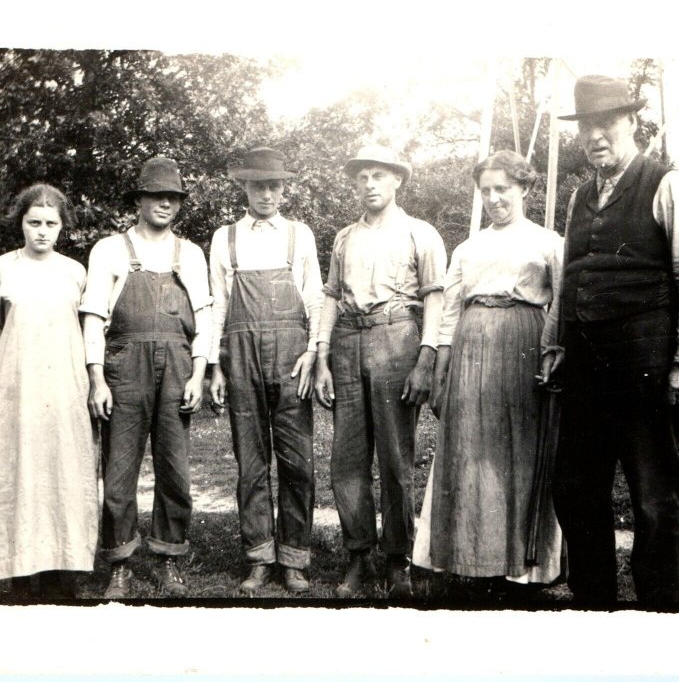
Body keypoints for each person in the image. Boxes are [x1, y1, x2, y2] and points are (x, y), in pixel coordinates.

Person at [541, 75, 679, 605]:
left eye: (606, 124)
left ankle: (659, 609)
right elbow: (569, 280)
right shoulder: (580, 197)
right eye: (587, 127)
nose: (595, 136)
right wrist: (555, 346)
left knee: (654, 502)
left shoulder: (668, 186)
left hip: (645, 373)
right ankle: (595, 603)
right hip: (585, 375)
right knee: (574, 492)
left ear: (632, 123)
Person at [419, 150, 563, 591]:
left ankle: (526, 565)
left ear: (524, 188)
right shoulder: (468, 246)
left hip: (525, 345)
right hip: (472, 349)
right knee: (472, 450)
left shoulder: (549, 241)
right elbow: (447, 315)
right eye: (486, 190)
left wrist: (550, 351)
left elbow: (561, 303)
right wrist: (441, 373)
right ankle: (470, 557)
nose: (495, 198)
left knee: (519, 450)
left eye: (503, 188)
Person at [314, 145, 447, 599]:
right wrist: (321, 357)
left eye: (378, 175)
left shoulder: (420, 233)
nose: (369, 184)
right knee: (347, 458)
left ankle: (397, 559)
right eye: (362, 177)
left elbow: (434, 297)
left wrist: (426, 357)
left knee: (394, 457)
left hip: (397, 336)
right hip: (348, 340)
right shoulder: (344, 236)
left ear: (397, 180)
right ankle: (358, 557)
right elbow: (331, 296)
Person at [81, 157, 211, 599]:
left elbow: (205, 319)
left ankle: (170, 555)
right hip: (124, 365)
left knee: (174, 467)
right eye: (156, 196)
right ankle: (118, 561)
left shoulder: (190, 253)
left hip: (177, 365)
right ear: (139, 200)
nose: (165, 204)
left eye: (172, 197)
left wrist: (198, 373)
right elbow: (94, 316)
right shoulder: (109, 249)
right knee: (119, 468)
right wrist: (97, 379)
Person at [209, 147, 322, 596]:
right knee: (250, 463)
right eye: (259, 186)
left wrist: (314, 351)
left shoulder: (300, 235)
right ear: (246, 188)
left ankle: (294, 559)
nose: (267, 194)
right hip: (240, 354)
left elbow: (314, 297)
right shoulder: (226, 238)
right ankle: (258, 556)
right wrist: (216, 365)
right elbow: (218, 303)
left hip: (292, 356)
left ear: (283, 188)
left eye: (274, 185)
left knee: (297, 462)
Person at [0, 184, 98, 600]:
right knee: (20, 470)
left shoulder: (75, 272)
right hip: (16, 385)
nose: (42, 231)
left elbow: (89, 330)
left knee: (64, 471)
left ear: (63, 226)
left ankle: (64, 571)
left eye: (50, 224)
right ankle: (21, 572)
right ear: (20, 222)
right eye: (34, 223)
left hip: (64, 387)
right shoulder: (3, 268)